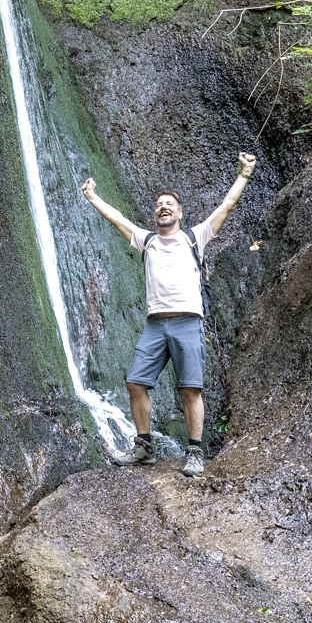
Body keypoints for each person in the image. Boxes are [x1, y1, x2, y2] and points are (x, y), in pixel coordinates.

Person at [79, 153, 258, 477]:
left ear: (179, 213)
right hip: (155, 325)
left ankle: (194, 452)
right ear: (155, 213)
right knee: (135, 382)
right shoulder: (146, 240)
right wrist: (92, 196)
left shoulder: (195, 237)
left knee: (190, 389)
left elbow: (227, 205)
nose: (163, 207)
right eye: (159, 204)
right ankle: (144, 448)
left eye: (169, 204)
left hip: (188, 322)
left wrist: (244, 173)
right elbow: (117, 219)